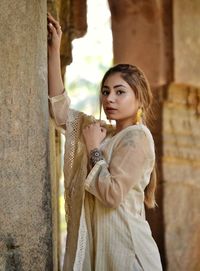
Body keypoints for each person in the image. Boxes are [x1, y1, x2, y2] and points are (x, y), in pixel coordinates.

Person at [47, 13, 163, 271]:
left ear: (140, 99)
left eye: (120, 92)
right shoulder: (102, 132)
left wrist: (93, 149)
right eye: (106, 91)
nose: (110, 98)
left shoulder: (137, 136)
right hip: (104, 252)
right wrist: (53, 51)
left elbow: (111, 195)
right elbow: (60, 112)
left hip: (128, 256)